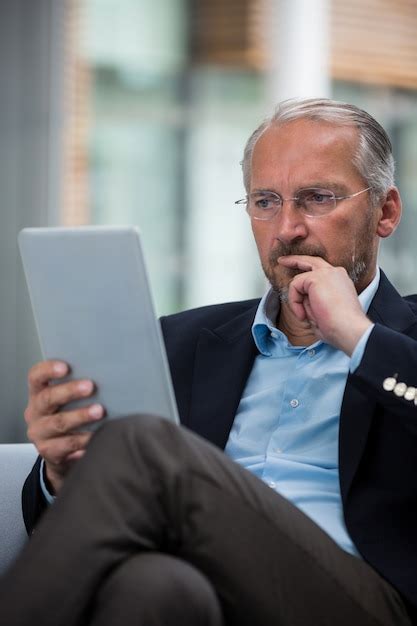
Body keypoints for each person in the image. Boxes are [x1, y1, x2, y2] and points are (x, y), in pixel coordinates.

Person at [1, 98, 416, 626]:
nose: (287, 227)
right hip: (203, 592)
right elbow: (52, 522)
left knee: (140, 441)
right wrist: (62, 474)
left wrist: (358, 336)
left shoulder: (402, 346)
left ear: (385, 212)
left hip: (361, 602)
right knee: (150, 586)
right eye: (265, 201)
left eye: (317, 198)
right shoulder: (179, 340)